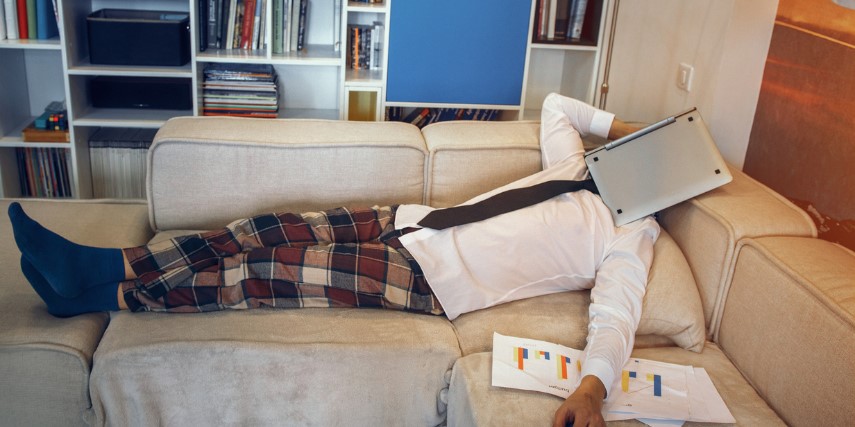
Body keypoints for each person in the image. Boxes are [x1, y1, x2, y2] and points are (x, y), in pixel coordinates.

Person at [9, 93, 657, 427]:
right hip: (405, 221)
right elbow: (556, 108)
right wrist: (630, 132)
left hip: (425, 278)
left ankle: (102, 294)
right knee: (259, 230)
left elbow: (616, 314)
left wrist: (592, 388)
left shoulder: (630, 230)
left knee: (265, 274)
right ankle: (112, 262)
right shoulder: (578, 162)